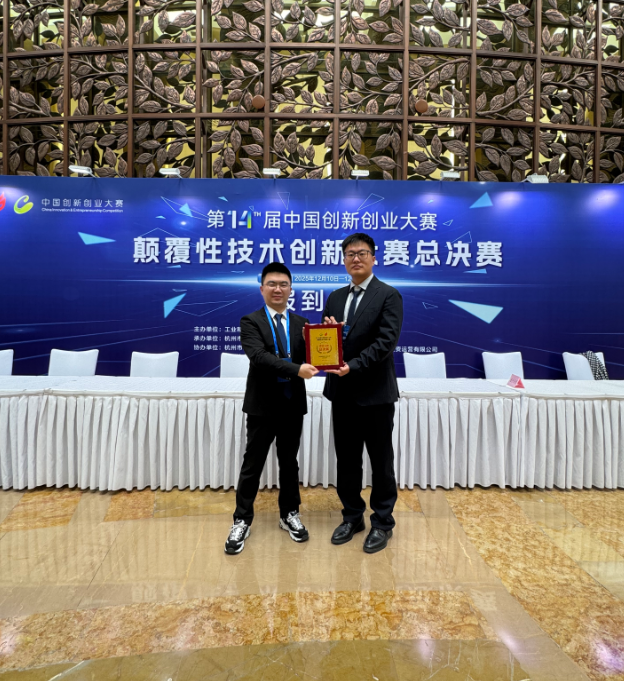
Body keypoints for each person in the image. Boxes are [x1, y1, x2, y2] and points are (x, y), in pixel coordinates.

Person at [224, 262, 319, 554]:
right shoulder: (251, 321)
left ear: (291, 289)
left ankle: (289, 513)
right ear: (262, 288)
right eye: (272, 284)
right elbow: (259, 357)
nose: (278, 289)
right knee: (253, 464)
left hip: (292, 403)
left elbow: (317, 354)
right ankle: (242, 519)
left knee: (289, 463)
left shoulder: (303, 323)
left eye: (283, 284)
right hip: (262, 405)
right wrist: (296, 369)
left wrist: (333, 334)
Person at [322, 234, 403, 554]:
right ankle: (352, 516)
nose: (356, 258)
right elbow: (329, 339)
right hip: (342, 392)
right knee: (347, 460)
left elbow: (386, 342)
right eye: (350, 254)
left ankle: (382, 522)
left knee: (381, 461)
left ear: (374, 258)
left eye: (362, 253)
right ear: (344, 259)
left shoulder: (389, 295)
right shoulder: (335, 297)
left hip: (375, 393)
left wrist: (353, 365)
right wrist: (326, 336)